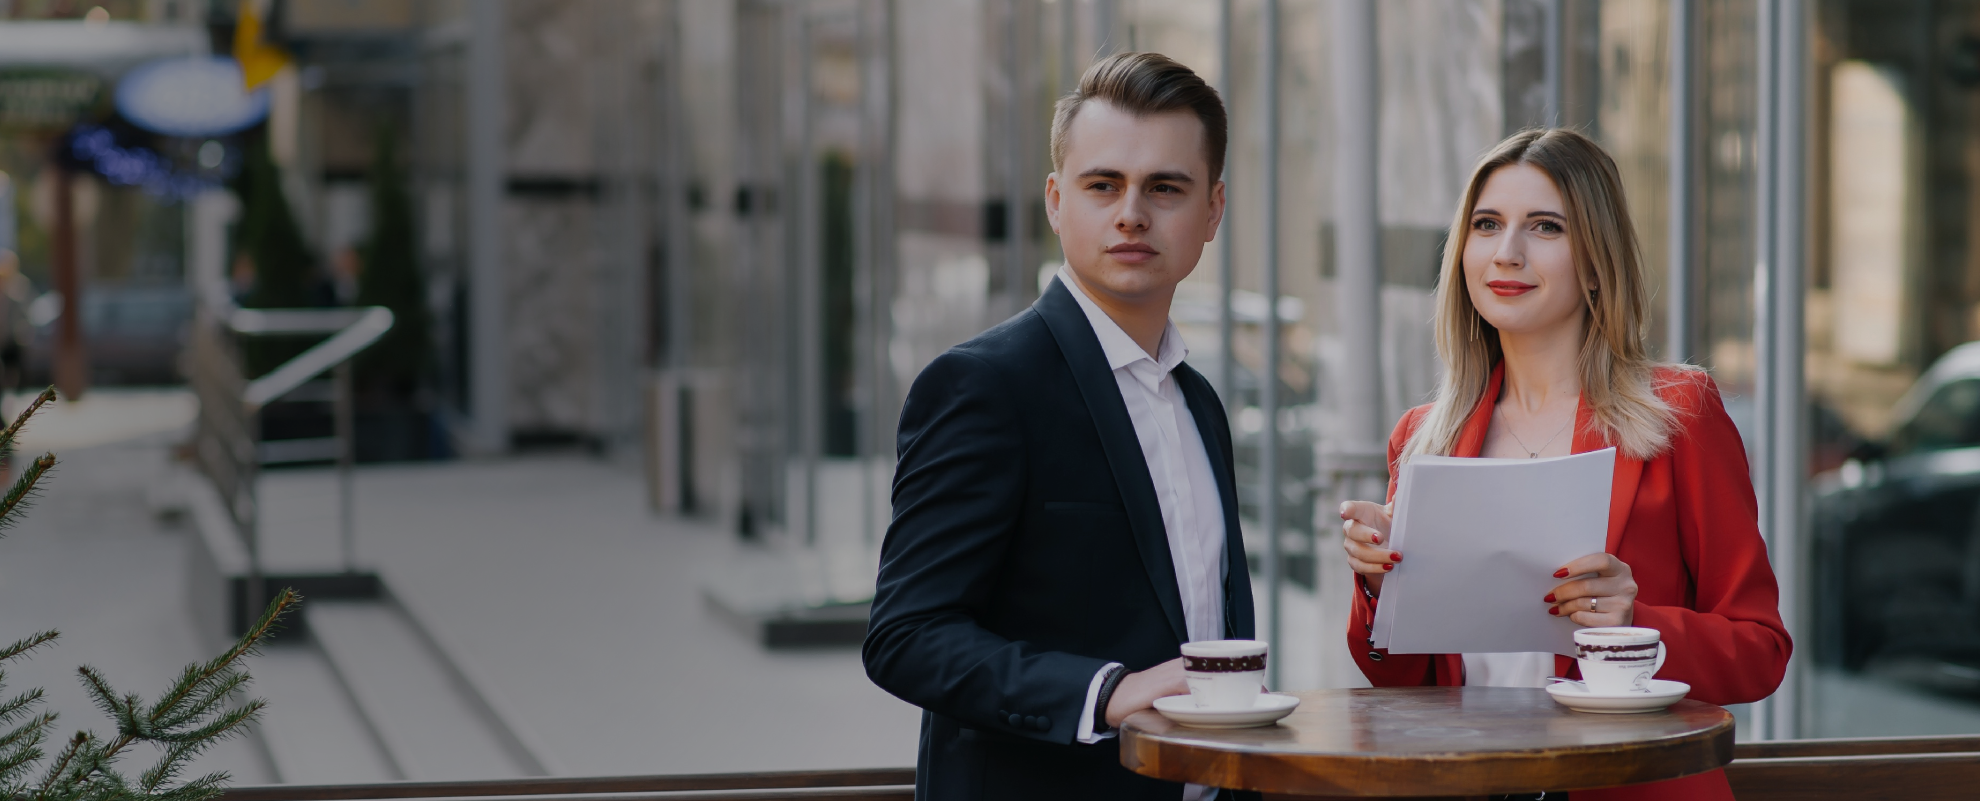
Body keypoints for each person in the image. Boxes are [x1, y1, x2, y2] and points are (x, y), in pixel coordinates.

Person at [1337, 128, 1791, 801]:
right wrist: (1378, 580)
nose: (1507, 252)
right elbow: (1404, 681)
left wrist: (1636, 625)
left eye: (1545, 226)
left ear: (1597, 261)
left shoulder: (1678, 413)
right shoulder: (1424, 437)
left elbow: (1760, 650)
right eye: (1486, 225)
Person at [864, 53, 1256, 801]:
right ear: (1055, 200)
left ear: (1213, 210)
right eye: (1103, 184)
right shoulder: (984, 385)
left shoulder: (1199, 403)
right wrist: (1109, 691)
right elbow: (906, 635)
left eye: (1166, 187)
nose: (1131, 212)